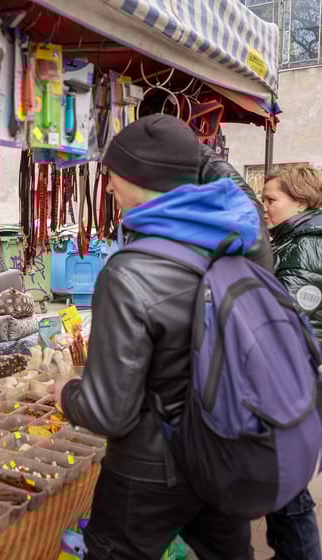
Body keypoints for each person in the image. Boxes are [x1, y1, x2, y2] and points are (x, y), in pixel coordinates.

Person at [52, 114, 267, 559]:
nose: (107, 187)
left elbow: (109, 412)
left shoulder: (130, 271)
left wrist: (64, 393)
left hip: (150, 471)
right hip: (225, 453)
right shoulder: (243, 243)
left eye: (112, 175)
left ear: (141, 177)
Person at [261, 165, 322, 560]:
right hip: (296, 381)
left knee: (286, 488)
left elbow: (289, 326)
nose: (264, 207)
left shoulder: (305, 245)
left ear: (300, 200)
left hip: (294, 382)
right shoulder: (294, 238)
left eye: (271, 199)